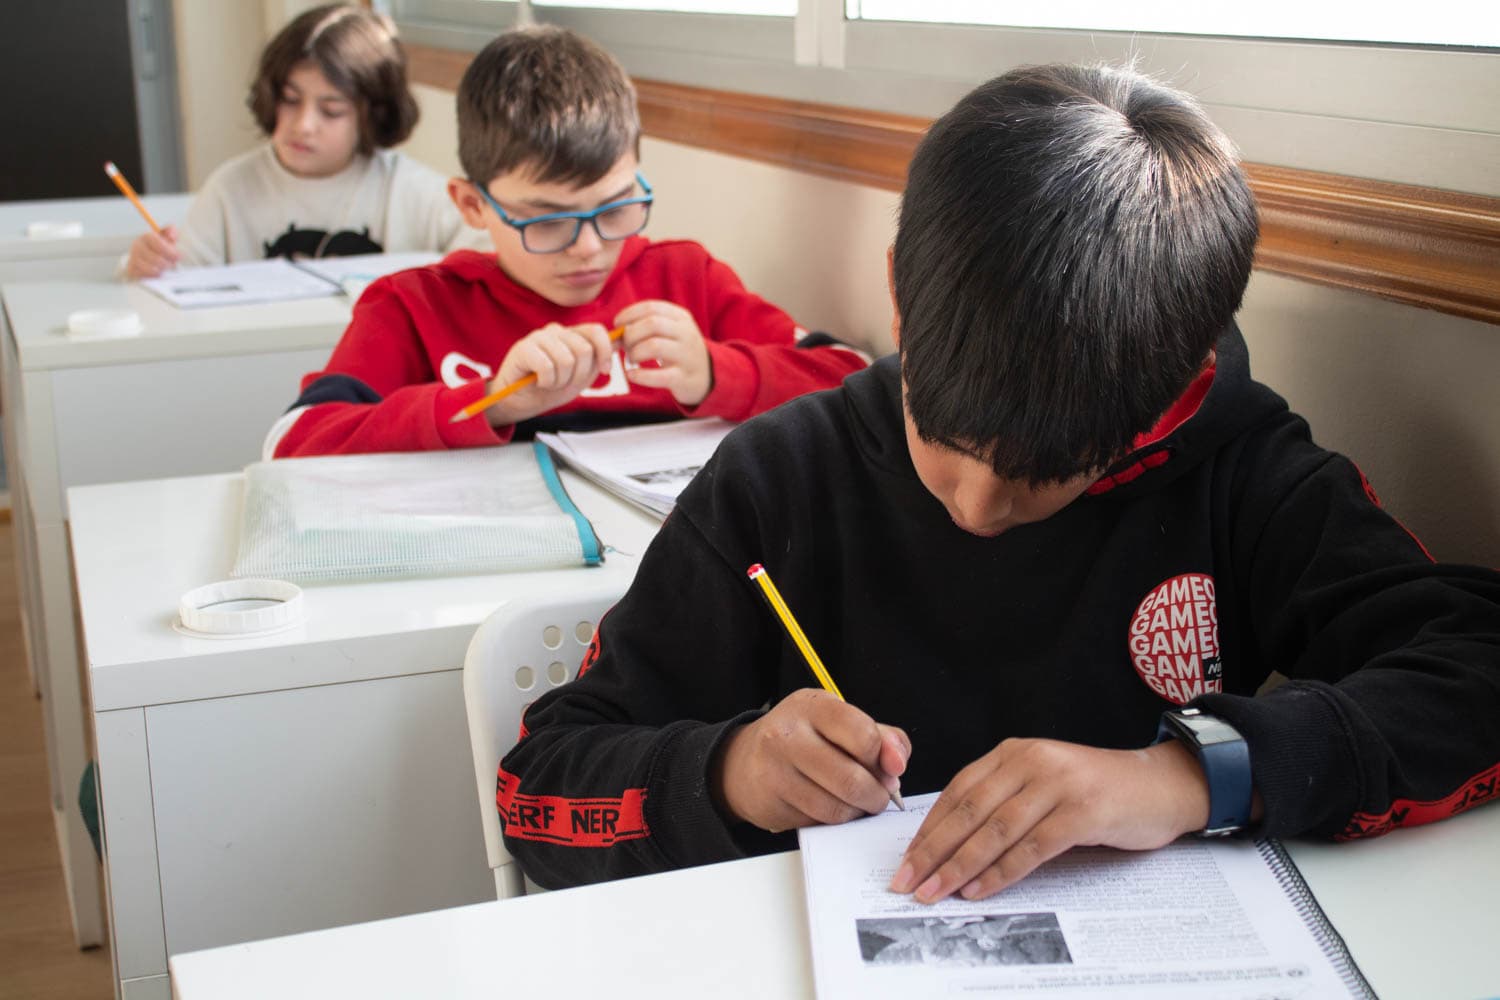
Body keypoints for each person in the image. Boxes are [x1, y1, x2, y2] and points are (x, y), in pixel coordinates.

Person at [494, 64, 1500, 896]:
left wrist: (1189, 774)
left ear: (1175, 394)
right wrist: (731, 773)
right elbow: (539, 788)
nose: (976, 504)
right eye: (946, 439)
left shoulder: (1237, 465)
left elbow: (1475, 666)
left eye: (1045, 475)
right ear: (899, 295)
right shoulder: (780, 476)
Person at [263, 25, 867, 459]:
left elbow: (853, 380)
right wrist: (490, 401)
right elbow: (293, 442)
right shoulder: (413, 306)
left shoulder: (687, 280)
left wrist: (717, 373)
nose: (588, 247)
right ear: (472, 205)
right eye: (546, 221)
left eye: (615, 207)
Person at [125, 4, 476, 279]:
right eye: (290, 101)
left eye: (331, 110)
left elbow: (485, 260)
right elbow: (173, 284)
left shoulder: (414, 191)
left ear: (373, 114)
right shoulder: (230, 190)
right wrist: (147, 265)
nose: (304, 125)